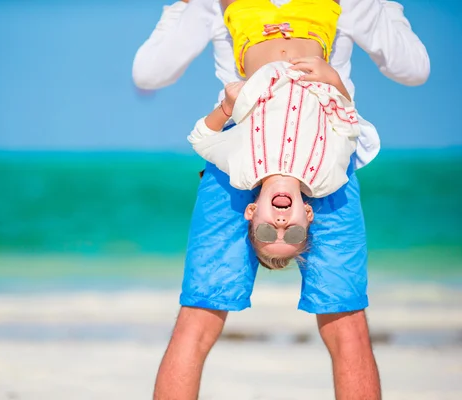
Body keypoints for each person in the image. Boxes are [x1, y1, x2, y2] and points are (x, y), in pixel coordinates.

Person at [132, 1, 429, 399]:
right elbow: (147, 74)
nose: (283, 222)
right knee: (199, 317)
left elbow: (414, 69)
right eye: (289, 230)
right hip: (297, 149)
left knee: (347, 324)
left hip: (255, 150)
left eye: (274, 228)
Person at [189, 0, 362, 268]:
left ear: (251, 211)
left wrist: (226, 108)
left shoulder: (242, 170)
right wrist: (334, 80)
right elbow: (348, 127)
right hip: (312, 30)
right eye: (293, 233)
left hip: (255, 33)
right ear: (307, 214)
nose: (280, 224)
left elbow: (200, 139)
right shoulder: (327, 178)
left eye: (266, 232)